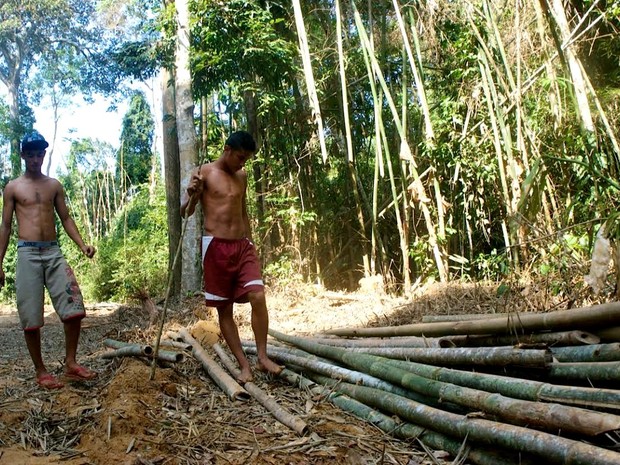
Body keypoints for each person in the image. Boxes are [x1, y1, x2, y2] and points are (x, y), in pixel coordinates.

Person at [181, 130, 283, 383]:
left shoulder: (242, 175)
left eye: (246, 159)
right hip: (215, 246)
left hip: (242, 245)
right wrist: (192, 192)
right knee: (224, 309)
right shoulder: (203, 172)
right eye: (239, 157)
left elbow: (243, 210)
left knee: (257, 295)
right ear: (227, 149)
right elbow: (185, 212)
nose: (242, 163)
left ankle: (262, 357)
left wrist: (250, 241)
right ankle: (243, 365)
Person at [0, 131, 97, 390]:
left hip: (53, 252)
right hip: (27, 253)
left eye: (39, 153)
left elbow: (65, 218)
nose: (35, 158)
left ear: (44, 154)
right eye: (30, 154)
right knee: (30, 317)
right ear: (23, 155)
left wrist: (81, 245)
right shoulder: (13, 187)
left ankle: (71, 363)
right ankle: (41, 371)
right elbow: (6, 226)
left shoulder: (53, 185)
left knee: (73, 307)